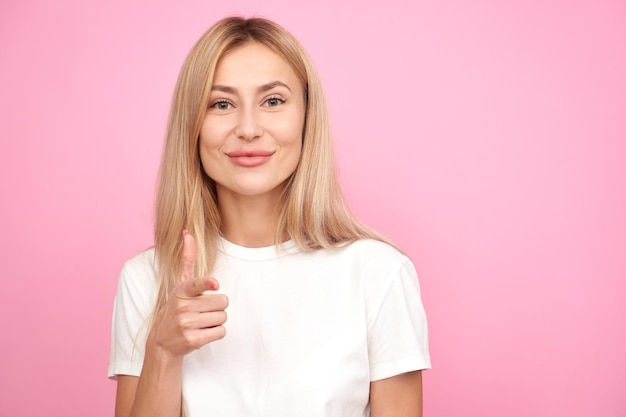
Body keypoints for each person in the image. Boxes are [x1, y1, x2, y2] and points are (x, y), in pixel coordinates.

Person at [108, 16, 430, 417]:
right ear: (192, 124)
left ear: (307, 117)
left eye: (273, 101)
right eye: (221, 103)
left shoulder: (378, 274)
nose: (248, 128)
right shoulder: (147, 279)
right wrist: (162, 351)